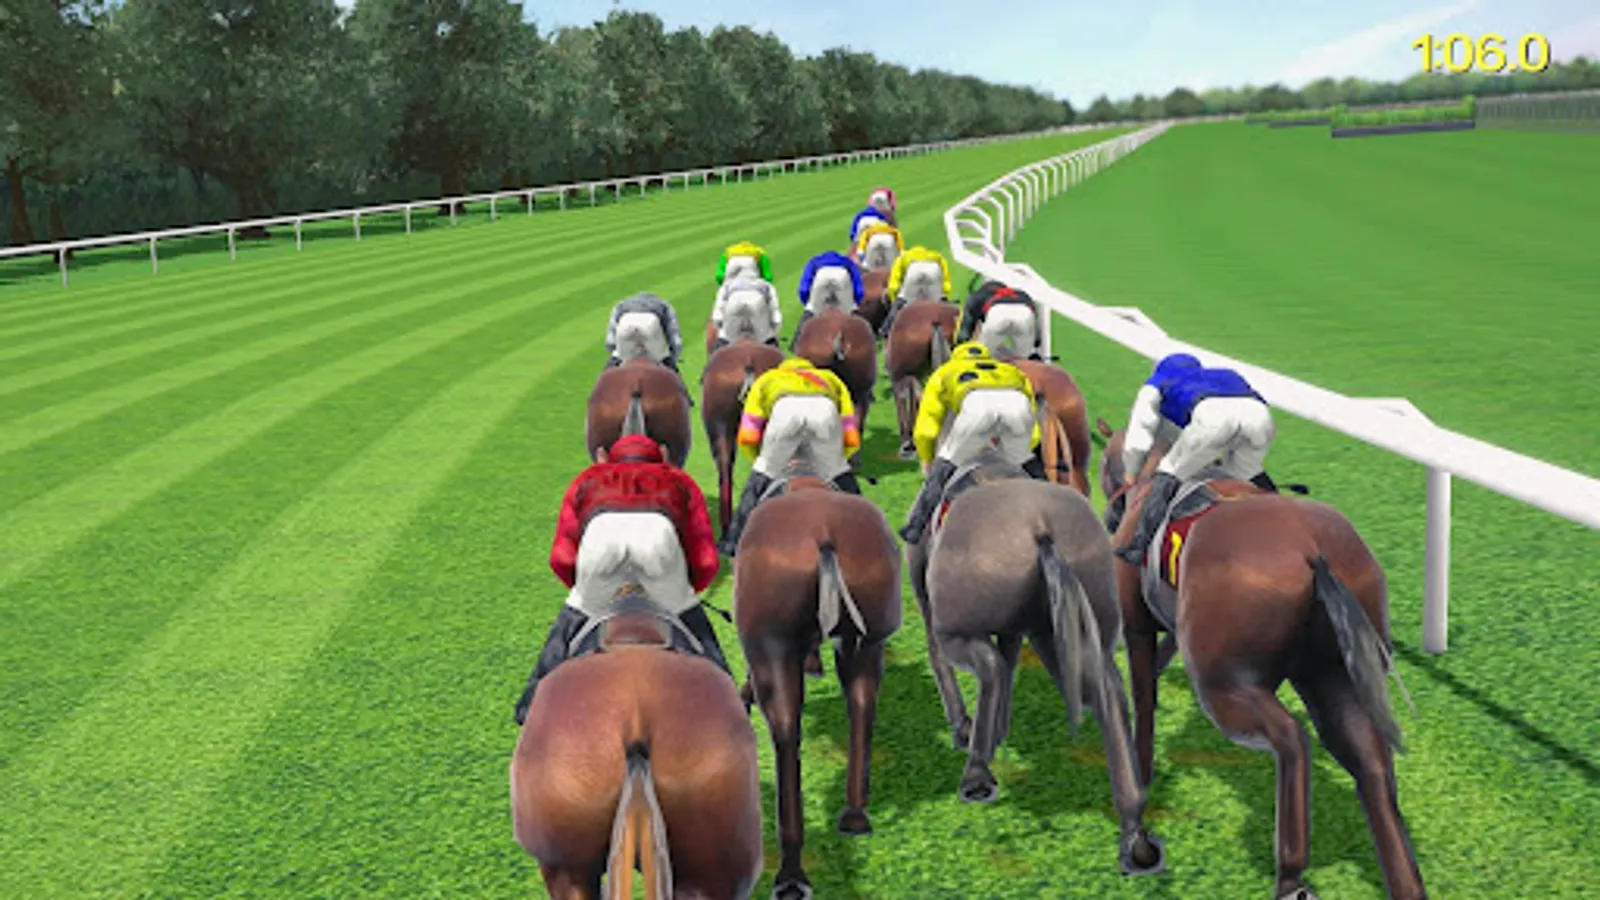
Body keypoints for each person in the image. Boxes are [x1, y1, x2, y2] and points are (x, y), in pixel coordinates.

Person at [513, 434, 730, 726]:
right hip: (657, 540)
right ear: (661, 457)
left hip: (602, 540)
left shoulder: (589, 478)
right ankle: (726, 697)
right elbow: (704, 559)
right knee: (689, 615)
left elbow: (562, 557)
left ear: (607, 458)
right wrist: (683, 592)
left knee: (575, 611)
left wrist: (585, 594)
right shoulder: (678, 479)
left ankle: (532, 701)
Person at [1114, 353, 1280, 566]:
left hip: (1213, 419)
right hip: (1260, 417)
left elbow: (1141, 433)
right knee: (1246, 471)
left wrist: (1132, 470)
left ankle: (1139, 547)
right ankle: (1281, 510)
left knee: (1169, 471)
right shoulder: (1223, 373)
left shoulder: (1156, 383)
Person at [899, 342, 1046, 543]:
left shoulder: (945, 371)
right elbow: (1033, 430)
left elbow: (927, 429)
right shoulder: (1011, 370)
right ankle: (1051, 508)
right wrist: (1019, 451)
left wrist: (928, 458)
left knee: (946, 462)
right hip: (1017, 405)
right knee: (1027, 462)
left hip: (977, 406)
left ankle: (915, 527)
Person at [718, 357, 863, 556]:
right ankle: (863, 528)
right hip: (825, 412)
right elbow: (851, 434)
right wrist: (837, 461)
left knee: (762, 472)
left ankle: (733, 541)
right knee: (840, 473)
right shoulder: (830, 378)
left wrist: (763, 463)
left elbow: (748, 435)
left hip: (784, 413)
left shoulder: (768, 379)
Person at [791, 251, 864, 348]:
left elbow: (804, 288)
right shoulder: (848, 262)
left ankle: (796, 343)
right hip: (842, 275)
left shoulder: (814, 261)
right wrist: (854, 305)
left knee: (811, 310)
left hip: (821, 276)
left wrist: (808, 305)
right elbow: (858, 287)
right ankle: (862, 341)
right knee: (851, 312)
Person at [877, 246, 953, 337]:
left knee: (900, 302)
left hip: (914, 270)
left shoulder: (901, 258)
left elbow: (894, 286)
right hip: (934, 268)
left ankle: (885, 330)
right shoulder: (936, 255)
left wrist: (895, 300)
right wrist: (943, 296)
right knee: (942, 303)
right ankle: (954, 326)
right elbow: (946, 282)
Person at [955, 281, 1042, 360]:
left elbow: (965, 328)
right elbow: (1035, 322)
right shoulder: (1022, 294)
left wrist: (959, 344)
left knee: (983, 356)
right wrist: (1036, 342)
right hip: (1024, 313)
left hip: (997, 313)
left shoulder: (978, 295)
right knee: (1023, 359)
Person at [603, 292, 685, 371]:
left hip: (626, 324)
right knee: (665, 364)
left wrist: (615, 355)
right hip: (650, 325)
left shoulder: (621, 304)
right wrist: (671, 359)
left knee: (615, 362)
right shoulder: (664, 305)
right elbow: (674, 336)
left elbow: (610, 341)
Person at [710, 273, 783, 350]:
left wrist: (720, 327)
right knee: (769, 340)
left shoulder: (726, 285)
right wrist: (774, 330)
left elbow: (717, 315)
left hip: (734, 306)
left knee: (724, 337)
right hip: (756, 307)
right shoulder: (767, 285)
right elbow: (776, 316)